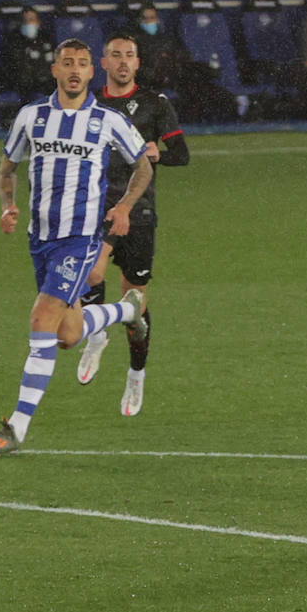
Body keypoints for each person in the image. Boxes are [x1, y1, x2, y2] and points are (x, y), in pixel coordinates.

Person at [0, 39, 154, 455]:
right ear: (55, 70)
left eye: (82, 64)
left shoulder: (107, 121)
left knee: (42, 319)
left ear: (93, 72)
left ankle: (17, 427)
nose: (75, 70)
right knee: (67, 335)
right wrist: (8, 205)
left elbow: (142, 166)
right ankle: (130, 310)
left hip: (79, 238)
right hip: (40, 239)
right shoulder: (31, 117)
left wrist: (126, 205)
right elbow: (7, 168)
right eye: (67, 63)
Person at [75, 33, 190, 416]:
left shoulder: (155, 104)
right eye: (115, 56)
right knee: (92, 275)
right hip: (97, 207)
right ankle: (96, 336)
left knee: (134, 302)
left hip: (139, 210)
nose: (123, 61)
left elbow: (183, 155)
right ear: (102, 64)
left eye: (129, 55)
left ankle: (136, 374)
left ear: (138, 63)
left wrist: (158, 153)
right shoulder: (89, 104)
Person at [0, 7, 54, 102]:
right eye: (24, 20)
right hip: (23, 88)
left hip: (47, 86)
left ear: (38, 23)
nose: (28, 23)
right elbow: (17, 69)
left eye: (31, 20)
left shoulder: (46, 39)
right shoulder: (13, 41)